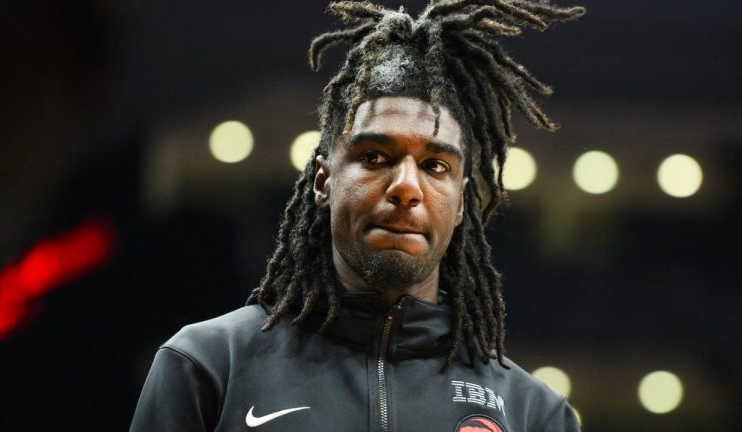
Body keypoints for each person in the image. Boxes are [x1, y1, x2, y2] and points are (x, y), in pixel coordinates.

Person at [130, 1, 585, 431]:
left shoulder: (534, 414)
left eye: (435, 166)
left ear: (461, 201)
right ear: (323, 182)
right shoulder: (210, 366)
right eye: (374, 157)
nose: (406, 186)